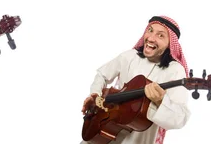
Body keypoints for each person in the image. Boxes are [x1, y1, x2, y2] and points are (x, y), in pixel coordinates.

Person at [80, 16, 191, 144]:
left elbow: (180, 118)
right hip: (106, 127)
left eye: (160, 36)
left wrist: (161, 101)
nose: (151, 38)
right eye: (150, 30)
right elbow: (102, 75)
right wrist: (95, 95)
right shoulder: (130, 56)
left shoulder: (175, 71)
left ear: (170, 45)